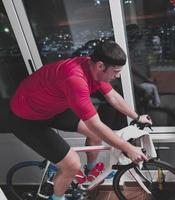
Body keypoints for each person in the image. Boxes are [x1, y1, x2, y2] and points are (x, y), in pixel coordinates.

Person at [9, 40, 151, 200]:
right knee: (72, 165)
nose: (117, 75)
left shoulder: (93, 69)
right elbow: (96, 124)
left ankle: (88, 173)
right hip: (27, 118)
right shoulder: (75, 79)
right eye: (116, 71)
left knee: (95, 136)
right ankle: (56, 198)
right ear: (100, 66)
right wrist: (127, 148)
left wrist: (137, 117)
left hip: (51, 108)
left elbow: (112, 96)